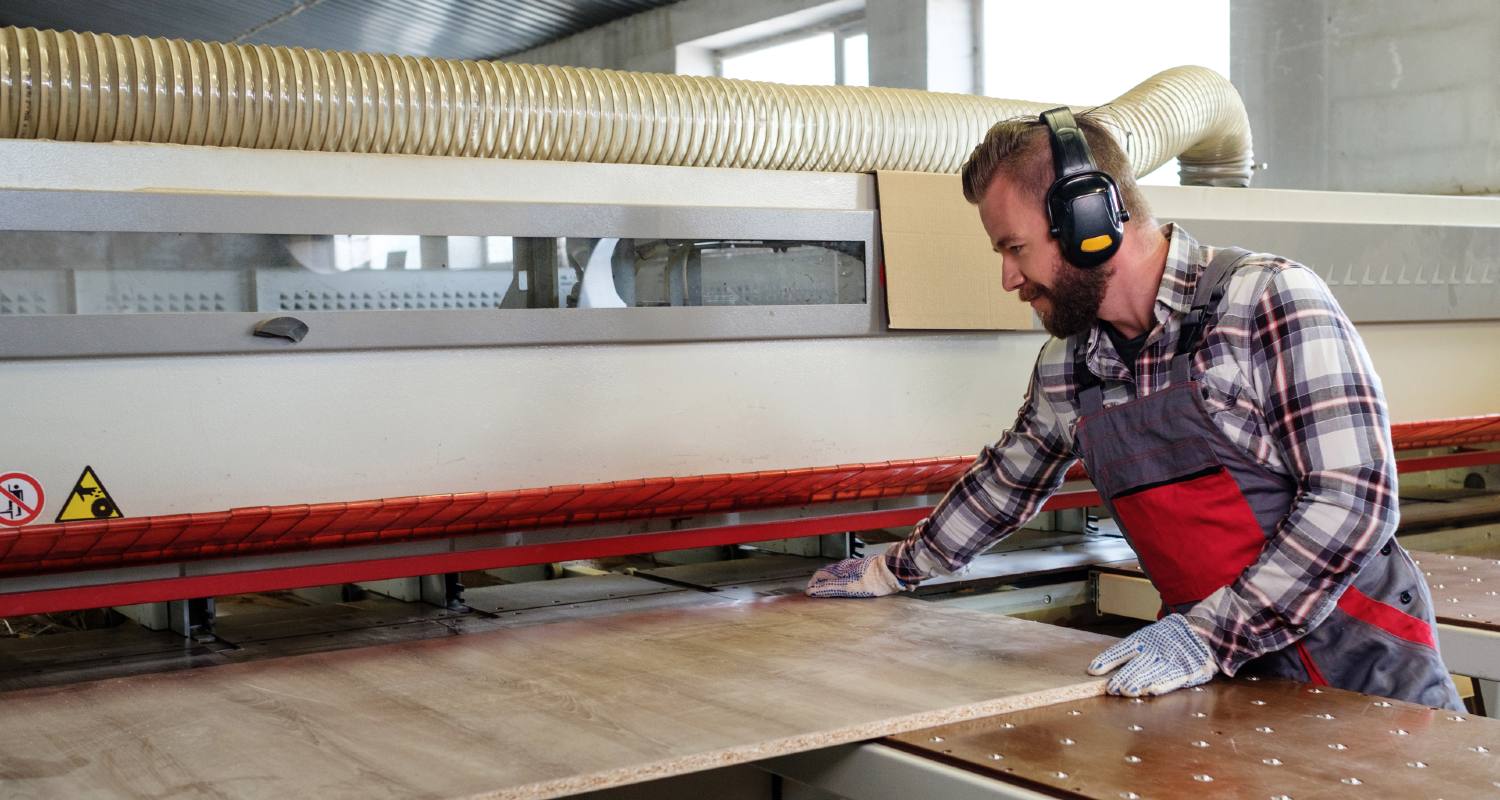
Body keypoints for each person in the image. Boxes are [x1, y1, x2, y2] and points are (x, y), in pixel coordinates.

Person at [806, 108, 1461, 711]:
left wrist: (1210, 636)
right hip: (1220, 675)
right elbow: (1007, 482)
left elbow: (1354, 501)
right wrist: (898, 568)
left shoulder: (1268, 300)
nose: (1007, 278)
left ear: (1089, 222)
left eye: (1014, 247)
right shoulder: (1072, 364)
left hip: (1360, 663)